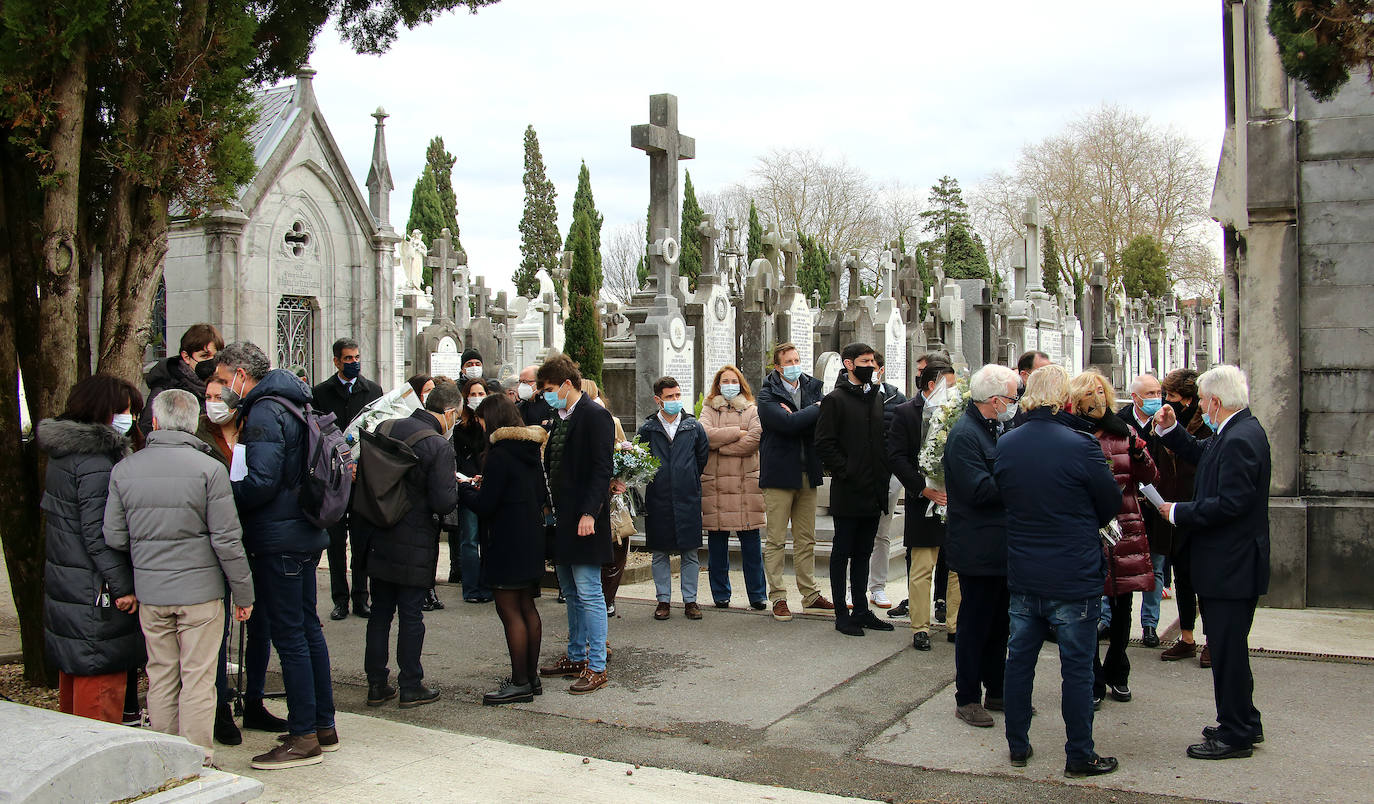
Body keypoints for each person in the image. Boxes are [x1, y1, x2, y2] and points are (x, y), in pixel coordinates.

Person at [103, 389, 254, 764]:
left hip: (152, 591)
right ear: (193, 424)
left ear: (154, 422)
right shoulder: (209, 469)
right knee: (198, 677)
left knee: (161, 674)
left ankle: (162, 755)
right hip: (201, 593)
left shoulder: (126, 469)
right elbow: (227, 540)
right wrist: (243, 592)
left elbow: (115, 536)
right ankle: (198, 756)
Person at [994, 364, 1121, 777]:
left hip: (1026, 569)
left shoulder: (1008, 443)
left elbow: (1006, 496)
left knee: (1019, 662)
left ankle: (1017, 744)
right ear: (1064, 399)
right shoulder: (1081, 444)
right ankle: (1079, 754)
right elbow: (1109, 504)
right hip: (1072, 571)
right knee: (1078, 668)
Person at [215, 342, 337, 769]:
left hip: (278, 535)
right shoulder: (294, 401)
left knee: (291, 636)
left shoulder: (265, 410)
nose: (224, 386)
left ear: (240, 374)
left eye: (223, 376)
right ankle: (322, 723)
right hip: (301, 529)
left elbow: (262, 481)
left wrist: (221, 495)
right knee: (306, 629)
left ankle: (304, 737)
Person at [1153, 365, 1269, 760]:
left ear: (1215, 402)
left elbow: (1232, 504)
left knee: (1226, 650)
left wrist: (1178, 513)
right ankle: (1244, 719)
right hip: (1231, 564)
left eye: (1203, 401)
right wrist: (1172, 431)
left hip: (1231, 565)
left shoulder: (1240, 439)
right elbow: (1204, 452)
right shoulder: (1237, 431)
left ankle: (1235, 732)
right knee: (1230, 647)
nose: (1200, 407)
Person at [38, 375, 147, 724]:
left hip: (71, 582)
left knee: (76, 674)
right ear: (105, 411)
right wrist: (124, 587)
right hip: (94, 590)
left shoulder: (65, 453)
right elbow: (100, 534)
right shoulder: (97, 462)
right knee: (99, 682)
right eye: (125, 411)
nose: (129, 419)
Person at [194, 366, 284, 745]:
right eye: (209, 398)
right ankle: (219, 710)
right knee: (219, 629)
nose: (214, 405)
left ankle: (255, 700)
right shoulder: (199, 437)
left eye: (221, 397)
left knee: (259, 623)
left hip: (255, 535)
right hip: (216, 543)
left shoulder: (253, 429)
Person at [359, 383, 461, 711]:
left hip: (378, 530)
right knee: (411, 614)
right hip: (415, 538)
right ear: (449, 413)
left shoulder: (387, 427)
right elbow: (445, 502)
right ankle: (410, 684)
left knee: (380, 612)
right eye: (457, 415)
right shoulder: (437, 446)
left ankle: (376, 684)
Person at [1068, 372, 1158, 709]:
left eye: (1101, 393)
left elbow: (1150, 477)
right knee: (1089, 605)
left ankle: (1118, 670)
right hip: (1087, 528)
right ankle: (1092, 676)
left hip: (1125, 525)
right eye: (1090, 394)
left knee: (1122, 604)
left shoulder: (1126, 432)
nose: (1097, 399)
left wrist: (1138, 454)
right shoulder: (1073, 433)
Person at [458, 394, 550, 704]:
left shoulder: (498, 454)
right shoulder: (528, 449)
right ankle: (531, 677)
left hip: (507, 541)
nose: (480, 425)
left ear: (493, 420)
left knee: (509, 610)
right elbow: (535, 494)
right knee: (527, 607)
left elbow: (486, 506)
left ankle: (520, 681)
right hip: (530, 537)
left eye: (482, 419)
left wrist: (463, 490)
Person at [942, 364, 1018, 727]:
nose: (1014, 404)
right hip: (977, 545)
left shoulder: (998, 426)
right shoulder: (966, 434)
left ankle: (998, 690)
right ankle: (967, 697)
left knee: (1000, 623)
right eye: (1011, 398)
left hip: (1001, 545)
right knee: (975, 625)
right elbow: (980, 490)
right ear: (994, 399)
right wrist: (1022, 477)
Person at [536, 355, 614, 694]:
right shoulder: (559, 417)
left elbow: (601, 469)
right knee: (569, 592)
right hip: (562, 519)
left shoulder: (595, 416)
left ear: (568, 384)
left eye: (551, 389)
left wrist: (588, 513)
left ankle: (596, 666)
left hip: (585, 520)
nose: (547, 396)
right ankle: (576, 655)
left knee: (589, 592)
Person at [814, 343, 895, 638]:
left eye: (873, 361)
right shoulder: (835, 399)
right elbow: (824, 443)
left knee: (864, 551)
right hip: (849, 489)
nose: (871, 365)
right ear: (849, 364)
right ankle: (842, 614)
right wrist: (847, 470)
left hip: (873, 489)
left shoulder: (874, 397)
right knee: (843, 551)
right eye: (865, 360)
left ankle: (861, 609)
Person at [887, 357, 960, 651]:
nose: (953, 392)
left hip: (955, 502)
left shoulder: (958, 412)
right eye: (949, 386)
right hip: (924, 501)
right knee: (921, 568)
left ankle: (956, 623)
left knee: (957, 568)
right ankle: (920, 626)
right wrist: (923, 488)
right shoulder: (906, 412)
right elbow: (896, 457)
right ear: (933, 385)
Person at [756, 342, 833, 621]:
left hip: (808, 470)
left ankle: (810, 594)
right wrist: (815, 409)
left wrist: (804, 414)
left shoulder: (813, 387)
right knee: (776, 539)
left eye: (797, 359)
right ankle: (778, 596)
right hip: (779, 474)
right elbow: (785, 425)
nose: (793, 365)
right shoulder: (767, 395)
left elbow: (820, 424)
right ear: (777, 367)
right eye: (788, 361)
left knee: (806, 539)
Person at [311, 337, 384, 621]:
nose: (353, 362)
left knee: (362, 541)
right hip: (333, 478)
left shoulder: (372, 390)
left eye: (356, 358)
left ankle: (361, 597)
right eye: (348, 359)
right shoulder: (321, 393)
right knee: (336, 541)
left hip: (362, 478)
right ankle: (339, 599)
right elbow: (318, 434)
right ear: (336, 361)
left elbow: (378, 430)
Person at [638, 376, 710, 620]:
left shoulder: (693, 426)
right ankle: (663, 600)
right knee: (660, 552)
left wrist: (686, 477)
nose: (675, 400)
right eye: (670, 397)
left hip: (687, 497)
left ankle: (690, 600)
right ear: (658, 400)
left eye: (678, 395)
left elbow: (702, 458)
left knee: (690, 552)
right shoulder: (648, 429)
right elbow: (642, 461)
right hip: (658, 498)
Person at [1155, 368, 1213, 665]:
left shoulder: (1209, 430)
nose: (1167, 400)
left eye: (1173, 396)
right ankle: (1187, 637)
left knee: (1204, 577)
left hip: (1198, 508)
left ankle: (1212, 640)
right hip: (1174, 510)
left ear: (1189, 400)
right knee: (1183, 579)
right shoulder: (1168, 424)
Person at [699, 365, 767, 610]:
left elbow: (755, 439)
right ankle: (720, 594)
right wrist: (737, 432)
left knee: (752, 547)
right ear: (718, 385)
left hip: (745, 488)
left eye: (733, 380)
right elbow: (704, 434)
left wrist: (721, 447)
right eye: (725, 380)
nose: (729, 384)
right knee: (717, 548)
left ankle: (758, 595)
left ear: (741, 384)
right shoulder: (708, 409)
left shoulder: (752, 410)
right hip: (716, 487)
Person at [1118, 374, 1167, 648]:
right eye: (1149, 393)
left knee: (1156, 567)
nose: (1155, 398)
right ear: (1135, 397)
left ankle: (1150, 624)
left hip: (1157, 504)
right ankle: (1108, 619)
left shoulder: (1166, 421)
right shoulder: (1120, 421)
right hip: (1128, 505)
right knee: (1120, 566)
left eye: (1158, 392)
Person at [581, 380, 630, 617]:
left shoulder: (612, 421)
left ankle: (608, 597)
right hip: (585, 495)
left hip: (611, 497)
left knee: (616, 546)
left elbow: (621, 450)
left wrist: (621, 478)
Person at [867, 351, 907, 610]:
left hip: (889, 475)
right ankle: (854, 586)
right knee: (856, 534)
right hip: (861, 473)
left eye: (873, 365)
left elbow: (902, 435)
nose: (870, 370)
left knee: (882, 532)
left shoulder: (896, 397)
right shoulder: (850, 394)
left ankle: (877, 587)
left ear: (881, 369)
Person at [452, 377, 493, 604]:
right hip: (467, 486)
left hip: (487, 485)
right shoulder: (459, 428)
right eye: (473, 394)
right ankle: (471, 588)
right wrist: (464, 479)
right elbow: (455, 458)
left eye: (481, 394)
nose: (476, 398)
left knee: (488, 539)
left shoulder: (491, 425)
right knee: (469, 539)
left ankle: (487, 586)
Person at [140, 323, 224, 433]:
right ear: (186, 357)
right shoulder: (166, 388)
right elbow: (148, 428)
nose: (212, 362)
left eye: (216, 356)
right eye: (204, 356)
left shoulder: (224, 385)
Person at [1008, 350, 1052, 430]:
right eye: (1042, 373)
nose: (1048, 378)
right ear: (1024, 375)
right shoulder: (1011, 403)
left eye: (1050, 373)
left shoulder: (1055, 401)